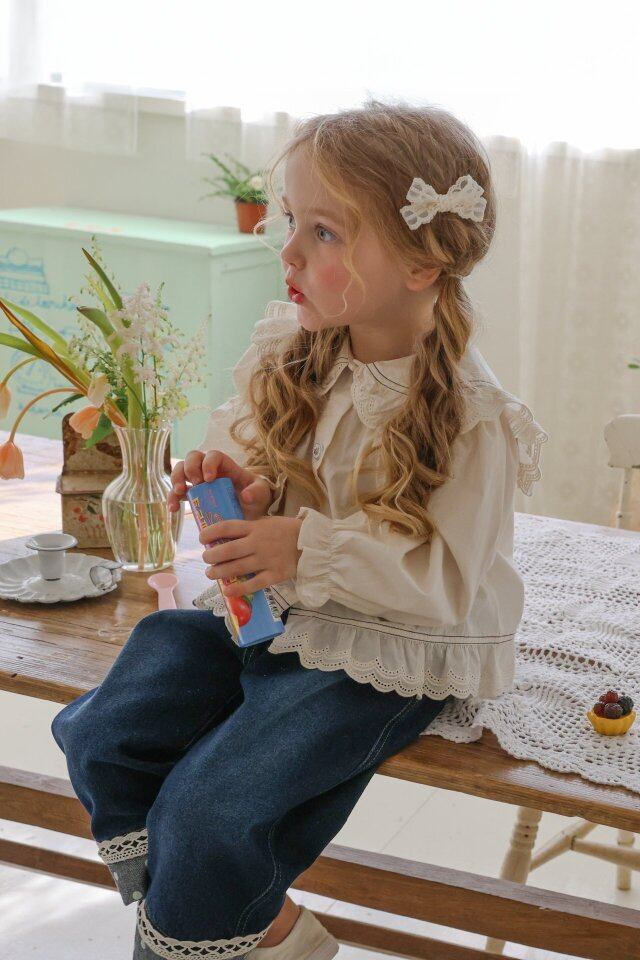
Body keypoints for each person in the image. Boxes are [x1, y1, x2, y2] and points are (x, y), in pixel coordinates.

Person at [51, 98, 548, 960]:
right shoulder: (292, 345)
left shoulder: (475, 417)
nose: (286, 252)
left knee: (209, 812)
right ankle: (238, 924)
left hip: (384, 649)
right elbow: (263, 470)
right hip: (277, 613)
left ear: (423, 262)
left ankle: (191, 926)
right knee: (101, 731)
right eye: (291, 221)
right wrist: (241, 493)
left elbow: (441, 587)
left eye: (323, 232)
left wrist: (304, 546)